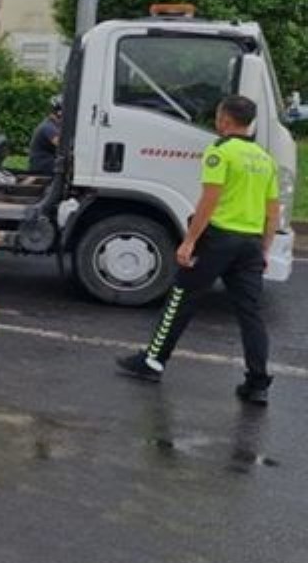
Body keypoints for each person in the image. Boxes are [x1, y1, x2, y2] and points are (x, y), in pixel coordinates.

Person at [116, 96, 282, 405]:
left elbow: (210, 200)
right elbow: (273, 211)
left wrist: (190, 240)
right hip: (250, 244)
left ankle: (152, 361)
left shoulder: (220, 152)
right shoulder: (264, 159)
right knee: (251, 313)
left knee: (181, 297)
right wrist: (265, 249)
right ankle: (257, 382)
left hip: (218, 238)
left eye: (218, 117)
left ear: (225, 120)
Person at [27, 96, 62, 176]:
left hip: (47, 165)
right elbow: (62, 145)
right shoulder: (48, 127)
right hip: (42, 167)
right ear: (59, 112)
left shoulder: (54, 125)